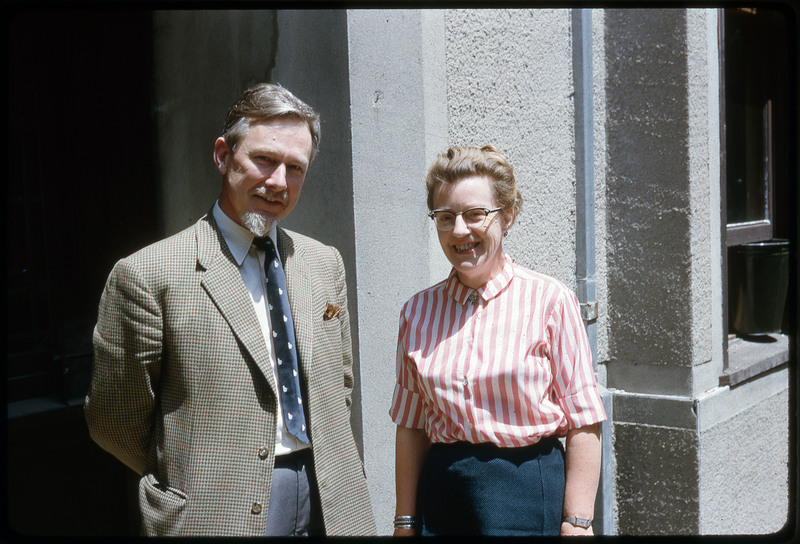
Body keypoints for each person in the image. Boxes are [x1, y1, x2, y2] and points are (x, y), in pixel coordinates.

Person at [85, 83, 376, 537]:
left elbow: (338, 382)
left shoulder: (322, 262)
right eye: (264, 159)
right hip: (216, 509)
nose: (278, 182)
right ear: (223, 156)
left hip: (331, 497)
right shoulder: (149, 275)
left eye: (295, 168)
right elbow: (114, 420)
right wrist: (192, 467)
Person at [390, 145, 607, 537]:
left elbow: (584, 420)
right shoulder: (416, 312)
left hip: (527, 492)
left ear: (506, 217)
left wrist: (578, 521)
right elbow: (410, 426)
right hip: (443, 497)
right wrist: (405, 521)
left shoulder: (550, 301)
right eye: (445, 217)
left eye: (476, 215)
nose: (460, 231)